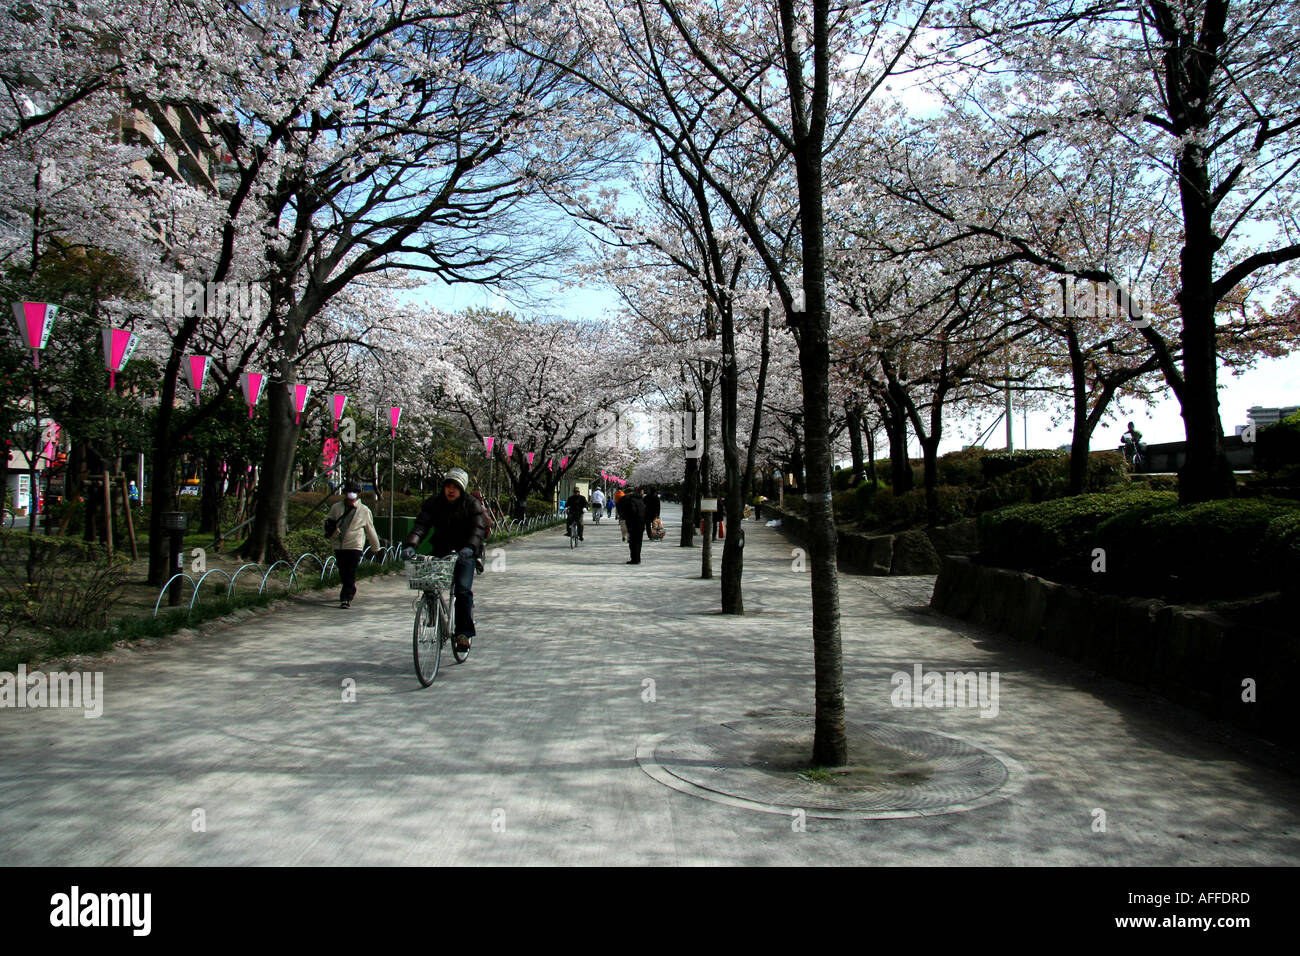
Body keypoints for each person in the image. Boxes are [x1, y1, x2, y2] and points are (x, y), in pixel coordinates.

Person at [401, 467, 487, 653]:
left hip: (465, 552)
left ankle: (463, 634)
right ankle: (433, 614)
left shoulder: (471, 504)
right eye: (448, 486)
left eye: (455, 487)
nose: (451, 490)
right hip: (442, 550)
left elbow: (478, 530)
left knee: (463, 591)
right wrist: (411, 544)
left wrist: (470, 548)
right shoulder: (434, 503)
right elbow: (421, 526)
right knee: (428, 583)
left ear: (462, 489)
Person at [326, 478, 382, 609]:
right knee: (343, 571)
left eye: (354, 492)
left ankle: (345, 598)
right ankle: (351, 588)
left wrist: (375, 546)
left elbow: (370, 529)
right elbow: (328, 520)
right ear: (345, 493)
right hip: (339, 544)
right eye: (349, 491)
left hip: (355, 545)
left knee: (350, 570)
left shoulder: (364, 510)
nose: (351, 494)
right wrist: (331, 528)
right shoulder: (336, 507)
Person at [618, 486, 646, 564]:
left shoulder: (631, 501)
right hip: (641, 523)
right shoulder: (641, 500)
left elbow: (632, 512)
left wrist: (628, 520)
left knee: (633, 542)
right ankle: (638, 558)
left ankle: (634, 559)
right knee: (639, 542)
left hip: (633, 524)